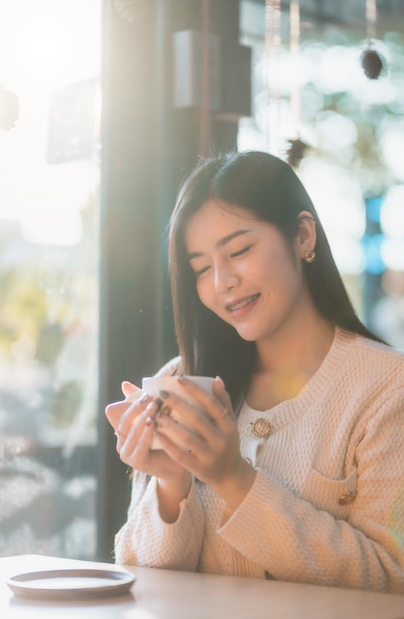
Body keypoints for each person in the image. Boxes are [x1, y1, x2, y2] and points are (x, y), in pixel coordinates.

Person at [105, 151, 404, 593]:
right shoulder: (182, 380)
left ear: (303, 236)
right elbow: (140, 578)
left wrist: (234, 479)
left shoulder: (385, 388)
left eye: (240, 250)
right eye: (201, 268)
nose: (221, 281)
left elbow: (391, 579)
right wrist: (171, 484)